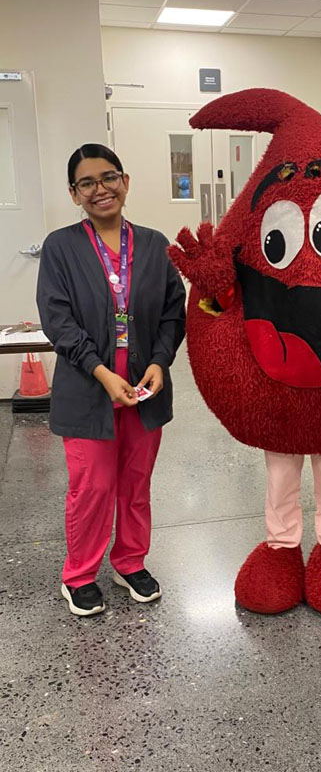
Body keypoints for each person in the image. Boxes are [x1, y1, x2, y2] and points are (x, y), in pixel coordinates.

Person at [37, 144, 186, 617]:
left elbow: (173, 311)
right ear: (74, 193)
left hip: (144, 391)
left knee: (136, 484)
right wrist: (101, 372)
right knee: (93, 488)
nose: (100, 189)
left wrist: (160, 362)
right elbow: (57, 319)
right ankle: (79, 574)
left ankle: (130, 562)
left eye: (109, 177)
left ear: (125, 181)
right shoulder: (61, 247)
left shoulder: (154, 244)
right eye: (87, 182)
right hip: (88, 392)